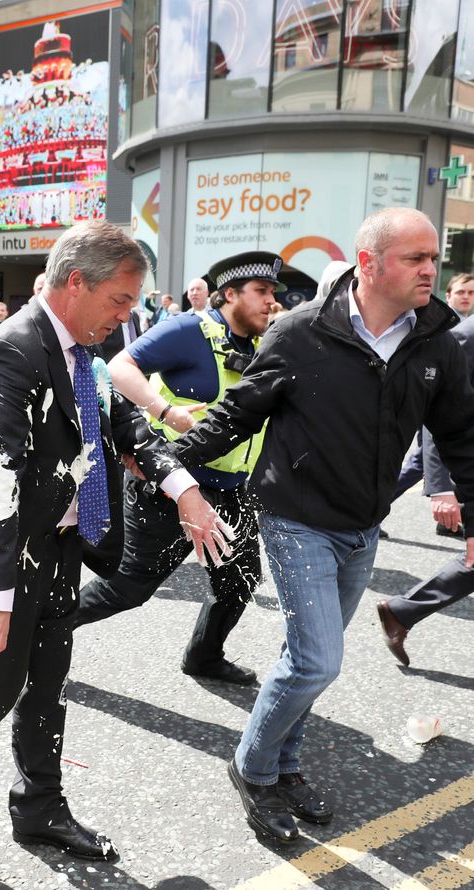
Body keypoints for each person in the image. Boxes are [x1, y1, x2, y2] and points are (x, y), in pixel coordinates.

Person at [0, 221, 230, 880]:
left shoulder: (89, 349)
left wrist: (183, 489)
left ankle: (40, 807)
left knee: (46, 692)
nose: (127, 316)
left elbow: (126, 427)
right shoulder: (11, 353)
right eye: (119, 300)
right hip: (9, 556)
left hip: (60, 548)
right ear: (76, 283)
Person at [173, 208, 474, 844]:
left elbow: (460, 436)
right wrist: (172, 471)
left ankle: (285, 764)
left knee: (300, 659)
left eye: (432, 258)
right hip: (295, 518)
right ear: (369, 264)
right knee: (316, 662)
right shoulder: (300, 331)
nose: (432, 270)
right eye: (416, 259)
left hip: (363, 526)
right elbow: (238, 411)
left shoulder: (436, 344)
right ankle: (253, 769)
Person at [76, 251, 285, 685]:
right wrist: (166, 410)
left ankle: (204, 657)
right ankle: (37, 635)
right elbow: (118, 368)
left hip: (230, 488)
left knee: (239, 579)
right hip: (169, 484)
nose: (270, 301)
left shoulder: (259, 344)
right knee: (128, 587)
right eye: (261, 292)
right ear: (230, 294)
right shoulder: (190, 329)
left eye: (272, 293)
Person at [377, 310, 474, 665]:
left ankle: (402, 612)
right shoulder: (465, 336)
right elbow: (439, 417)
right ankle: (402, 611)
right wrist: (441, 487)